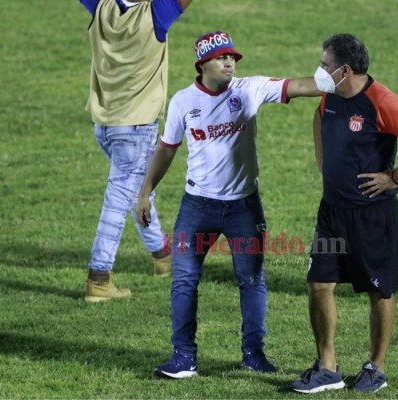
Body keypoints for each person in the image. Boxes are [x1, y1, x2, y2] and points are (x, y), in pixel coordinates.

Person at [136, 31, 334, 379]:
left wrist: (338, 76)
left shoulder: (249, 88)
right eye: (221, 57)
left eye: (232, 57)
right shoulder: (183, 101)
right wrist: (145, 191)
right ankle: (184, 358)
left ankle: (254, 354)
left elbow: (300, 86)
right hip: (197, 208)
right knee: (184, 280)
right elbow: (167, 148)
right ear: (202, 64)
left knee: (252, 279)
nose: (230, 62)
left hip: (244, 208)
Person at [290, 34, 398, 394]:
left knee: (379, 292)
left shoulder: (381, 101)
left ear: (345, 70)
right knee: (319, 284)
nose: (320, 71)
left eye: (326, 65)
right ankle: (327, 367)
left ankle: (376, 367)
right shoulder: (330, 96)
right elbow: (319, 117)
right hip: (331, 215)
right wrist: (323, 161)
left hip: (372, 217)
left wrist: (395, 177)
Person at [78, 0, 193, 302]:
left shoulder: (100, 5)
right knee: (118, 199)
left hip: (104, 124)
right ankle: (99, 278)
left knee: (138, 192)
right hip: (136, 126)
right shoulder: (157, 13)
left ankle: (163, 257)